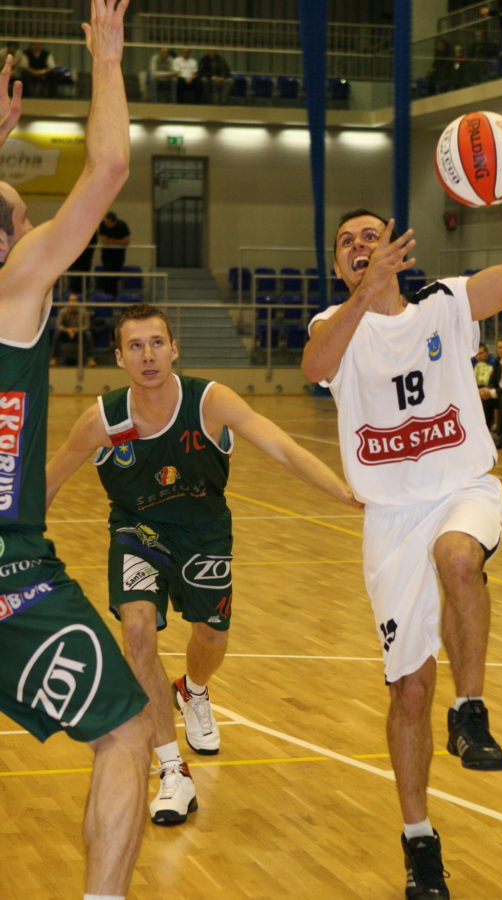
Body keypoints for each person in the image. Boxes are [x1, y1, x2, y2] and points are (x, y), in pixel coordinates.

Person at [301, 116, 502, 899]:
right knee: (408, 690)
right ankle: (419, 842)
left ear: (397, 247)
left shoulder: (445, 303)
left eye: (370, 235)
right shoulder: (331, 327)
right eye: (347, 243)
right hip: (389, 521)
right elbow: (313, 366)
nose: (359, 245)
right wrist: (363, 296)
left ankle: (470, 710)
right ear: (339, 265)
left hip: (461, 489)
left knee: (458, 557)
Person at [46, 302, 360, 827]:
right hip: (137, 531)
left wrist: (342, 491)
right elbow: (49, 481)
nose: (148, 355)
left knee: (211, 638)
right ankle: (172, 771)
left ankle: (192, 689)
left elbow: (281, 448)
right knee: (137, 632)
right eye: (135, 346)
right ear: (119, 357)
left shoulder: (211, 401)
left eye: (156, 343)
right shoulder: (103, 418)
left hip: (205, 533)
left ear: (175, 348)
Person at [0, 4, 153, 898]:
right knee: (126, 732)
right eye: (23, 220)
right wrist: (105, 61)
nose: (34, 233)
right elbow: (109, 167)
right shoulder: (15, 287)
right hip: (9, 570)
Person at [50, 292, 96, 367]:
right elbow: (58, 325)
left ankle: (90, 359)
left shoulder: (84, 312)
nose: (72, 302)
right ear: (68, 302)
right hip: (66, 333)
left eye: (74, 300)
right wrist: (67, 330)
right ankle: (54, 358)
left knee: (88, 334)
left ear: (77, 302)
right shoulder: (62, 311)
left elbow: (87, 326)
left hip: (79, 333)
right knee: (57, 334)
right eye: (71, 300)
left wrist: (76, 330)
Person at [99, 211, 130, 297]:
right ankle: (107, 294)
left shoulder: (122, 225)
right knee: (108, 273)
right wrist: (119, 241)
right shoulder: (103, 225)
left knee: (116, 274)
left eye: (108, 222)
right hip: (107, 254)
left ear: (113, 222)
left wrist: (112, 240)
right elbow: (105, 241)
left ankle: (113, 295)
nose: (106, 224)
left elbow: (126, 241)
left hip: (119, 254)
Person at [67, 229, 97, 294]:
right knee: (74, 282)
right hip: (73, 261)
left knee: (83, 283)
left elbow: (92, 242)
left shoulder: (91, 229)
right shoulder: (71, 229)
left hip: (84, 260)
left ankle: (82, 295)